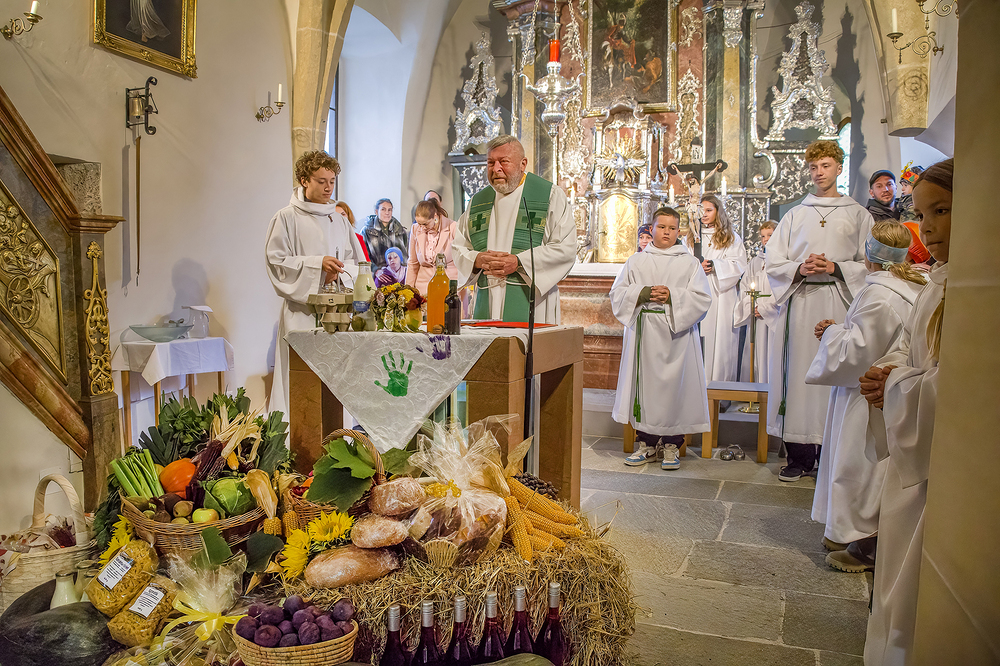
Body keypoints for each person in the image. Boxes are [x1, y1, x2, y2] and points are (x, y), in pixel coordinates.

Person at [859, 159, 952, 666]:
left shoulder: (972, 288)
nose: (928, 227)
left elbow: (959, 384)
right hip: (908, 432)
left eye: (941, 211)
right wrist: (889, 371)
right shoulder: (936, 280)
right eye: (921, 214)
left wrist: (892, 381)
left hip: (936, 462)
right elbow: (915, 350)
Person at [805, 222, 925, 569]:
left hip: (867, 394)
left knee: (859, 465)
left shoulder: (880, 295)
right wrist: (839, 331)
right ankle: (846, 531)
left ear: (869, 252)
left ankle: (862, 540)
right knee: (866, 467)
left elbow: (858, 353)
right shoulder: (910, 286)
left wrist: (831, 334)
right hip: (891, 390)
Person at [765, 140, 873, 482]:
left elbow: (870, 263)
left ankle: (831, 454)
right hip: (801, 302)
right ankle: (798, 457)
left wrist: (836, 268)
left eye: (825, 166)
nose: (819, 173)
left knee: (834, 372)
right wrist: (800, 268)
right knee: (800, 375)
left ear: (839, 167)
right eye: (813, 167)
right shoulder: (795, 215)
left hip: (840, 303)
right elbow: (773, 260)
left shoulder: (858, 214)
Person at [265, 151, 365, 417]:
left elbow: (357, 264)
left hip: (337, 315)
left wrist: (338, 274)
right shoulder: (285, 218)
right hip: (302, 314)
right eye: (321, 181)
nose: (328, 187)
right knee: (300, 381)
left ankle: (336, 435)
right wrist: (318, 267)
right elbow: (277, 263)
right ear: (304, 180)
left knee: (336, 381)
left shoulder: (339, 220)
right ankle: (297, 437)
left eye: (332, 181)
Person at [611, 208, 712, 471]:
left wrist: (673, 297)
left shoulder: (689, 263)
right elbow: (617, 293)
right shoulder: (636, 261)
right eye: (662, 227)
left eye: (672, 228)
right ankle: (646, 444)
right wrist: (642, 293)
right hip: (644, 331)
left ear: (679, 231)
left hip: (677, 334)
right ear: (652, 229)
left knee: (674, 388)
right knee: (645, 387)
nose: (667, 232)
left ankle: (671, 445)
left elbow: (702, 298)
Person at [453, 135, 577, 323]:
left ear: (522, 164)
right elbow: (459, 247)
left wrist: (519, 262)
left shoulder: (550, 196)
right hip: (487, 297)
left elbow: (565, 248)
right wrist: (476, 259)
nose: (496, 168)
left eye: (504, 161)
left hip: (532, 300)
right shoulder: (478, 202)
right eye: (491, 162)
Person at [683, 194, 747, 382]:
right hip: (696, 289)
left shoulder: (731, 237)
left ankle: (720, 387)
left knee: (721, 343)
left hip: (721, 293)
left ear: (718, 212)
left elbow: (739, 265)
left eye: (709, 210)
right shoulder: (690, 238)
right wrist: (696, 267)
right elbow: (681, 263)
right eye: (701, 210)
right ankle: (695, 385)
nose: (704, 214)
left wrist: (714, 266)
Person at [734, 220, 779, 383]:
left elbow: (783, 288)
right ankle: (755, 389)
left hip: (773, 315)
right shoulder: (755, 262)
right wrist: (751, 305)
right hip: (756, 315)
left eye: (770, 235)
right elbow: (745, 286)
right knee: (756, 353)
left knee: (772, 353)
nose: (766, 239)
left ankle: (771, 389)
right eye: (763, 236)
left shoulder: (782, 261)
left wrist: (766, 308)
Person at [406, 199, 458, 295]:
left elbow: (462, 258)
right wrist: (408, 290)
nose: (421, 228)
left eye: (425, 224)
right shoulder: (415, 228)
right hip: (423, 287)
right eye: (419, 223)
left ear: (435, 216)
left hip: (447, 284)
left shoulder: (453, 227)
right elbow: (412, 263)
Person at [361, 198, 408, 271]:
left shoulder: (400, 231)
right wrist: (375, 270)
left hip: (398, 273)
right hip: (375, 273)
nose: (387, 213)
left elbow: (405, 255)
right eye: (383, 209)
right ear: (376, 212)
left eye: (389, 210)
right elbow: (363, 256)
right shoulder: (366, 231)